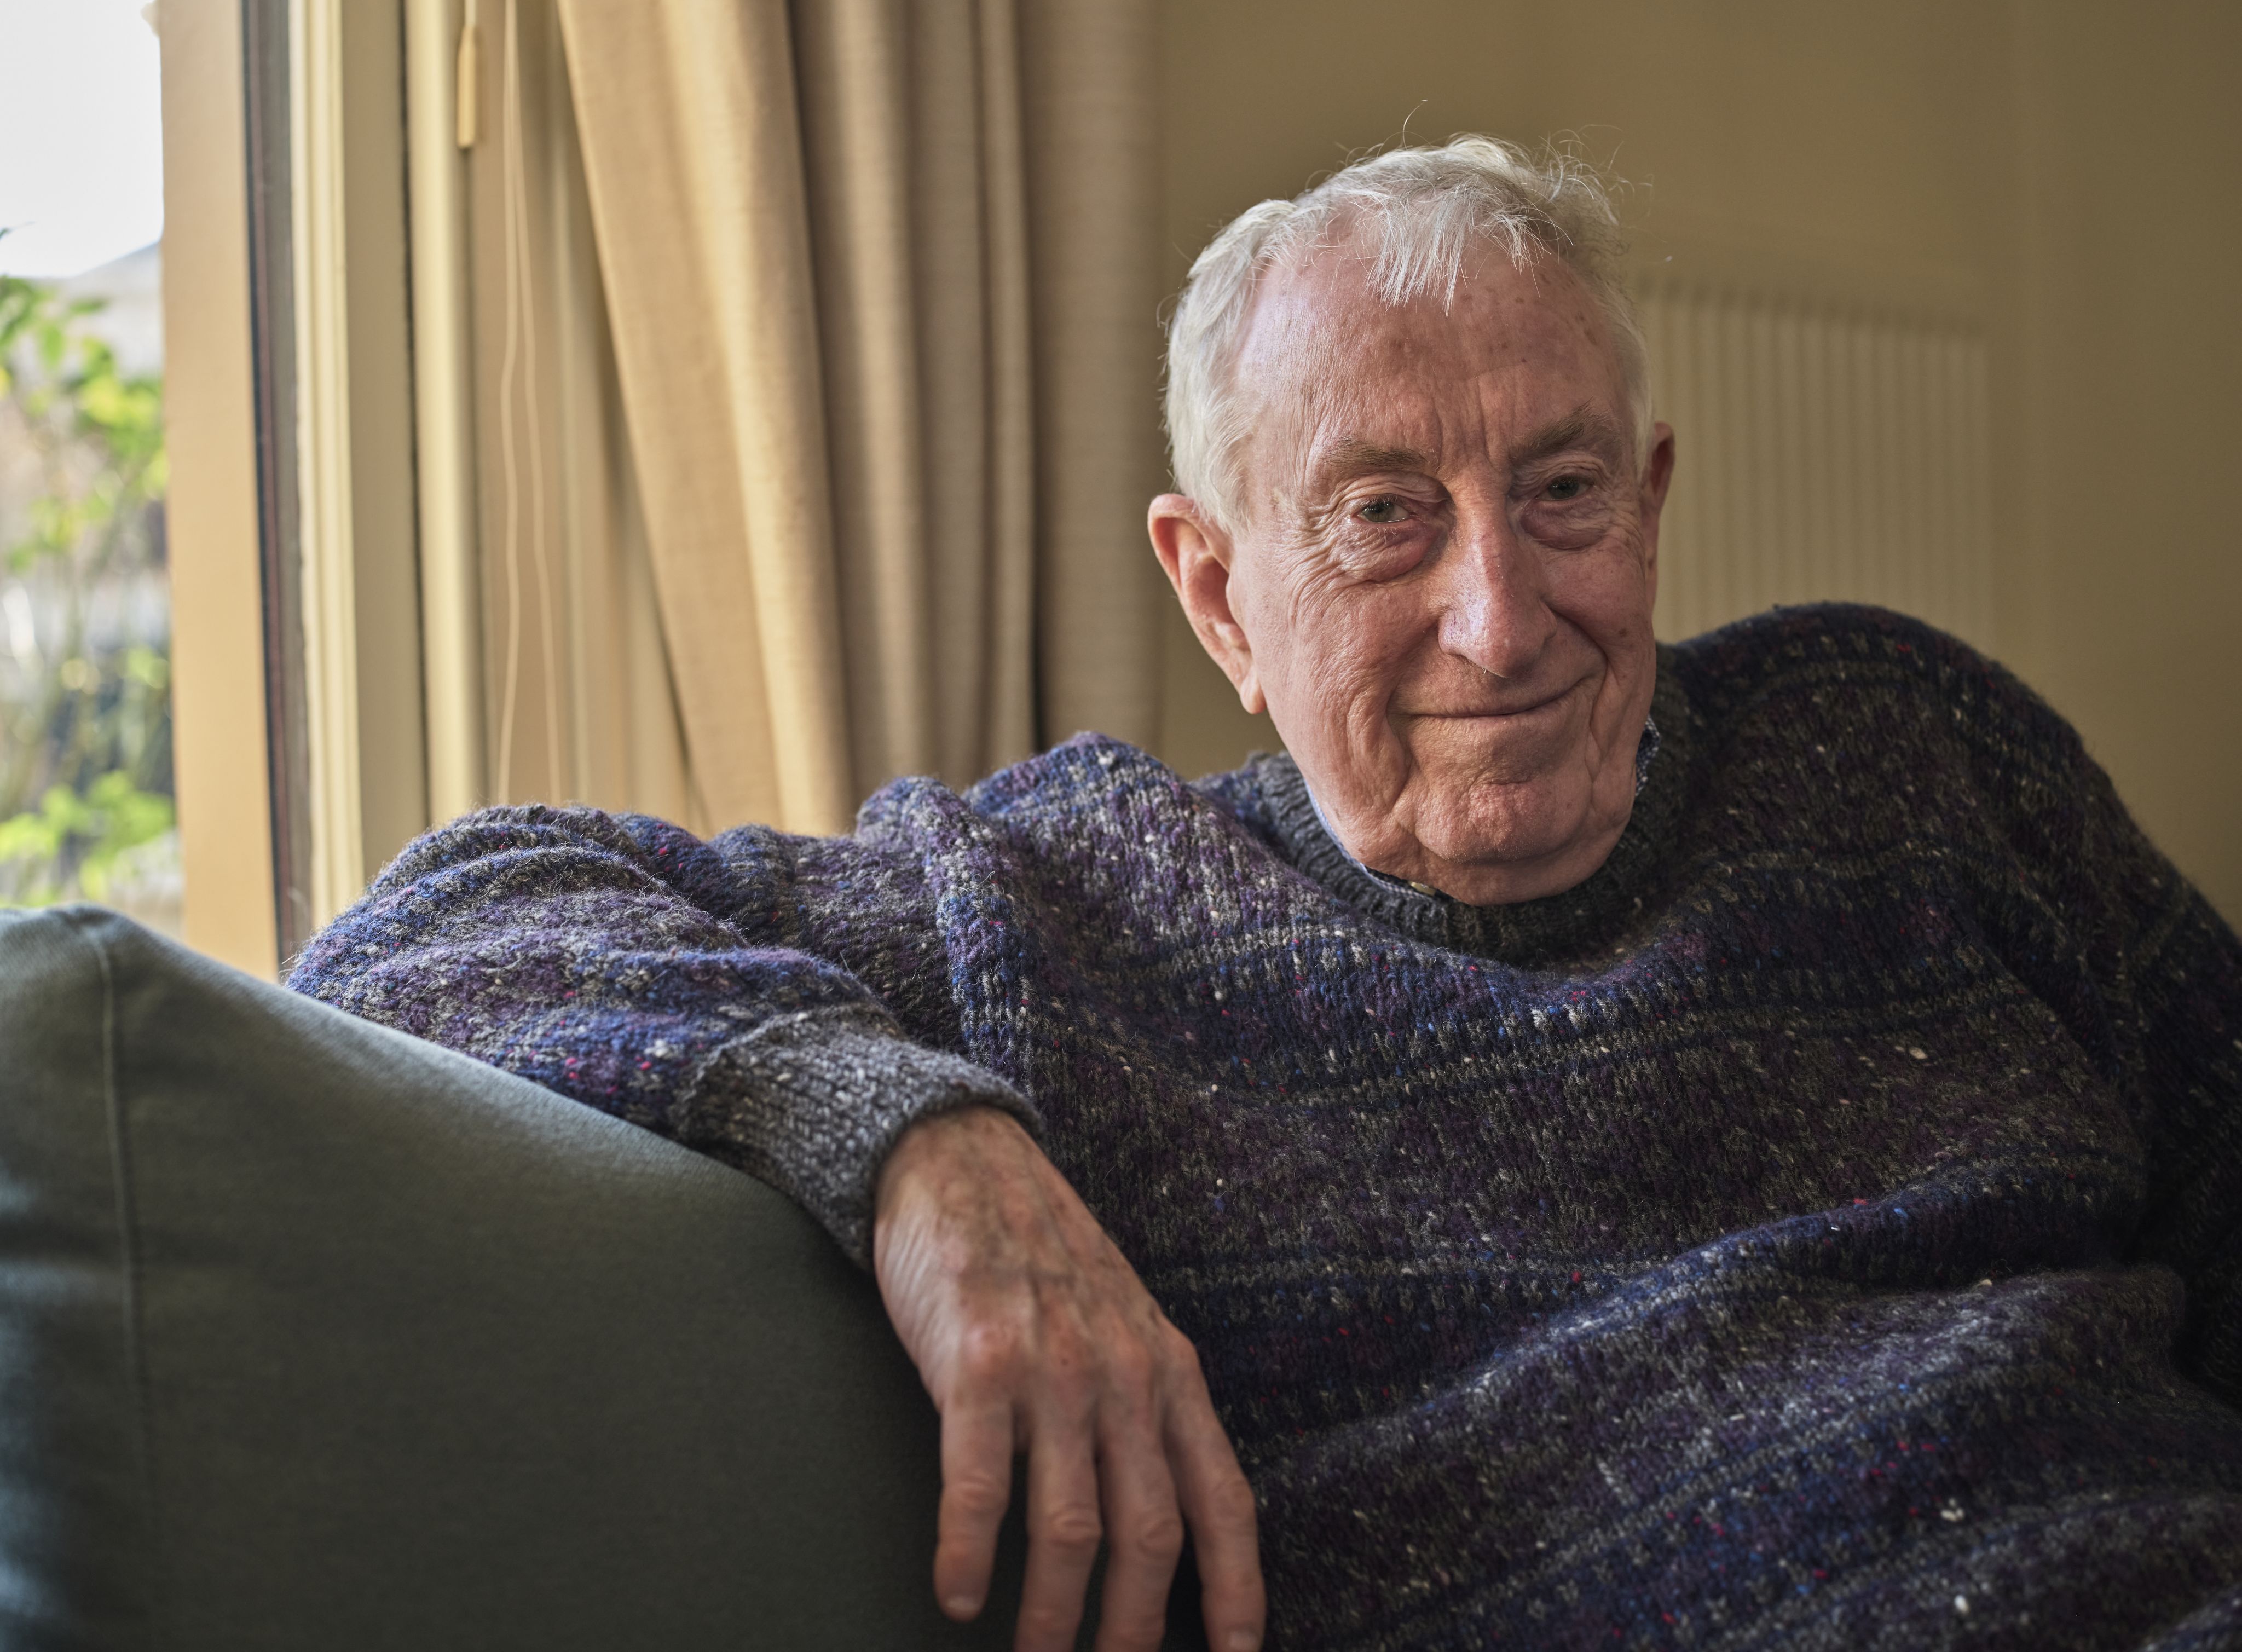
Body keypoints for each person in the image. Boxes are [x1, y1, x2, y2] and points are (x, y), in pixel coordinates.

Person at [291, 138, 2242, 1651]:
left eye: (1562, 492)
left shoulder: (1908, 748)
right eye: (1386, 516)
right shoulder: (1066, 911)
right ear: (1218, 590)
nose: (1500, 613)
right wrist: (920, 1146)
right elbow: (430, 926)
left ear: (1650, 501)